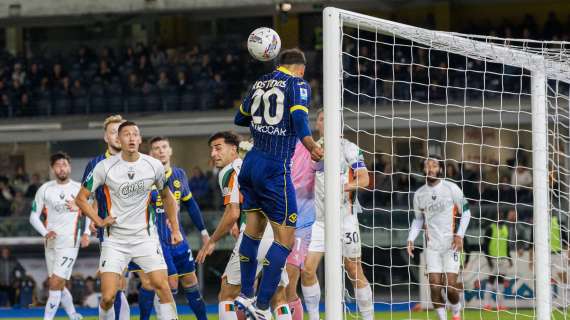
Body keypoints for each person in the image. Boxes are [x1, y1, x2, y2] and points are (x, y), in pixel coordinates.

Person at [233, 48, 323, 319]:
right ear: (301, 68)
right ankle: (261, 306)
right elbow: (298, 118)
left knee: (253, 231)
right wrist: (310, 145)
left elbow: (240, 118)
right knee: (285, 239)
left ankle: (246, 294)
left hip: (251, 164)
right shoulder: (298, 84)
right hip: (275, 167)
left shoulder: (260, 82)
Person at [75, 121, 182, 320]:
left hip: (145, 238)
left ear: (140, 139)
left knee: (162, 286)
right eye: (126, 134)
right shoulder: (104, 167)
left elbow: (167, 197)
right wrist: (98, 220)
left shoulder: (153, 165)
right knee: (108, 297)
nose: (131, 137)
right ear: (119, 139)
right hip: (115, 241)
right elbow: (81, 198)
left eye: (135, 134)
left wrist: (175, 229)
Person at [196, 131, 292, 320]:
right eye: (211, 150)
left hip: (255, 235)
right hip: (279, 234)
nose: (213, 154)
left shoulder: (230, 170)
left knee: (227, 293)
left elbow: (232, 212)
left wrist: (211, 241)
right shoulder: (257, 165)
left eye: (218, 148)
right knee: (278, 296)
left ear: (234, 149)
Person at [301, 109, 373, 320]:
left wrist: (343, 187)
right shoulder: (310, 151)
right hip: (318, 222)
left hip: (345, 219)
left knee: (353, 269)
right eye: (322, 119)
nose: (325, 122)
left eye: (329, 118)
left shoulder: (349, 148)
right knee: (307, 270)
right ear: (317, 125)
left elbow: (365, 179)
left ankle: (368, 317)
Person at [132, 136, 209, 320]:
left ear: (170, 150)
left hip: (177, 237)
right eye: (156, 148)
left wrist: (204, 231)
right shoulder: (143, 177)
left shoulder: (180, 174)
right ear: (150, 154)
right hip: (154, 239)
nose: (160, 150)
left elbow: (190, 204)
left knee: (191, 282)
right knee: (167, 283)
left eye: (164, 147)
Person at [407, 155, 471, 320]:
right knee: (435, 287)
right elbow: (418, 219)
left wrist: (460, 235)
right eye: (428, 165)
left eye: (434, 165)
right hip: (432, 246)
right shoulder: (419, 194)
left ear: (440, 169)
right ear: (423, 169)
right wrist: (411, 238)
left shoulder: (452, 188)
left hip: (451, 244)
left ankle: (456, 313)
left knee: (450, 287)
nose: (431, 168)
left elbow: (466, 212)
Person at [29, 152, 89, 320]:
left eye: (64, 164)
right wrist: (45, 232)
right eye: (58, 165)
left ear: (69, 167)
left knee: (55, 283)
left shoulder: (79, 188)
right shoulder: (45, 189)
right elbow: (33, 216)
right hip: (51, 243)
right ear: (52, 169)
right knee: (58, 284)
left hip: (70, 241)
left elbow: (90, 211)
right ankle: (73, 315)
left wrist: (86, 233)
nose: (61, 168)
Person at [81, 114, 130, 320]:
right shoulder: (96, 164)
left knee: (157, 283)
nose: (118, 136)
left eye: (121, 132)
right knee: (116, 286)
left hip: (141, 232)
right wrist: (94, 221)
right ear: (105, 137)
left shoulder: (136, 160)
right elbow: (86, 197)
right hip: (111, 233)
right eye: (113, 132)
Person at [285, 140, 316, 320]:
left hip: (300, 223)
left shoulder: (307, 147)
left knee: (289, 283)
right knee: (270, 287)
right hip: (273, 224)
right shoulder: (272, 144)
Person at [482, 209, 511, 311]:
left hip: (503, 258)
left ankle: (501, 305)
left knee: (501, 281)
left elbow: (506, 244)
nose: (501, 218)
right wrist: (488, 259)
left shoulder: (505, 229)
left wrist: (509, 258)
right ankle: (486, 305)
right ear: (495, 217)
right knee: (491, 280)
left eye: (502, 216)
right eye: (499, 216)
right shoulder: (490, 229)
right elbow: (484, 245)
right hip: (493, 258)